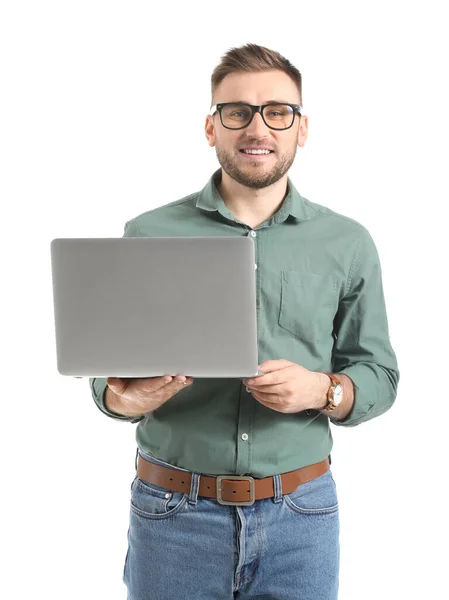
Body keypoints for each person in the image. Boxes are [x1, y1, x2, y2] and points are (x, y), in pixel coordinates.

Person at [89, 43, 400, 600]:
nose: (258, 127)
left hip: (301, 517)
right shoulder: (149, 233)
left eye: (277, 111)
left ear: (301, 128)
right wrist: (121, 399)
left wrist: (322, 390)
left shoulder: (348, 243)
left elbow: (379, 373)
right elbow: (108, 373)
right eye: (237, 112)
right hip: (172, 516)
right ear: (211, 128)